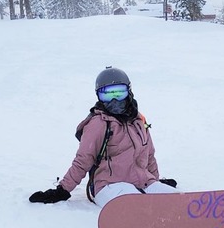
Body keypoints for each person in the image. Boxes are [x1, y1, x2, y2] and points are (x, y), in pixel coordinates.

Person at [29, 66, 177, 207]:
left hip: (143, 182)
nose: (115, 100)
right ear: (99, 97)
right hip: (109, 186)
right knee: (135, 201)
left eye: (119, 93)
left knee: (174, 198)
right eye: (107, 95)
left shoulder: (138, 121)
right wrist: (62, 190)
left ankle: (186, 216)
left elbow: (149, 155)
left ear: (129, 91)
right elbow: (83, 160)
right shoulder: (99, 123)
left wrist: (155, 182)